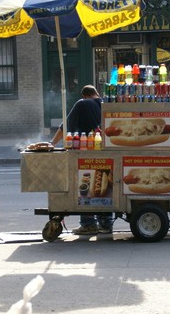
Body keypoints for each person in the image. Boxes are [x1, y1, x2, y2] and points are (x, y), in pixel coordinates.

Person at [50, 85, 114, 235]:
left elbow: (64, 127)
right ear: (96, 93)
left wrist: (52, 144)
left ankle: (88, 224)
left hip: (88, 153)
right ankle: (106, 224)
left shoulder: (82, 103)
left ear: (85, 95)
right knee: (105, 186)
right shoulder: (107, 102)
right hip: (108, 152)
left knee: (87, 185)